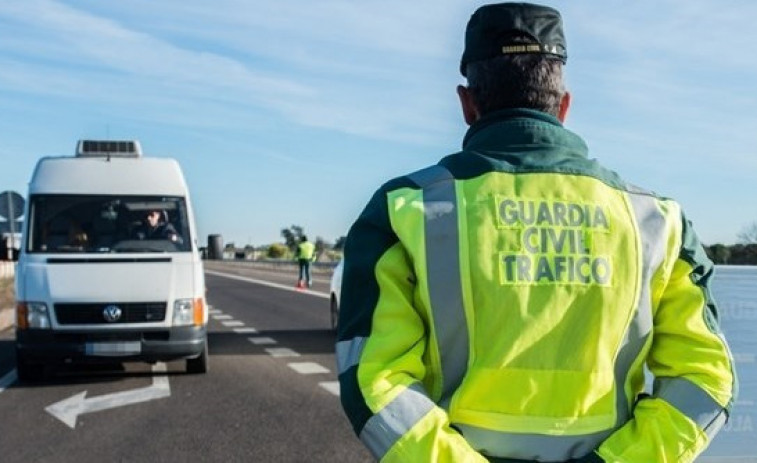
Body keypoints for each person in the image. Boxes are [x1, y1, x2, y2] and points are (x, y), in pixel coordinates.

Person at [336, 3, 737, 462]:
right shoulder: (656, 220)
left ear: (467, 103)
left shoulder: (404, 208)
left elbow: (374, 380)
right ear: (563, 106)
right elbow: (704, 380)